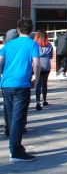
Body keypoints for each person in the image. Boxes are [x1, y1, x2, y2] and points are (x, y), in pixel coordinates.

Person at [0, 18, 40, 162]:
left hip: (6, 84)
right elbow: (36, 64)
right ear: (31, 30)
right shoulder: (33, 44)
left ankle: (15, 146)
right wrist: (36, 79)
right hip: (21, 84)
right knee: (18, 118)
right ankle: (15, 152)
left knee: (11, 117)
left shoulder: (8, 44)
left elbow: (0, 61)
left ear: (17, 29)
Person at [34, 30, 53, 110]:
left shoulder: (34, 46)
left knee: (37, 84)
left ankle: (38, 102)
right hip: (46, 66)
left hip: (37, 66)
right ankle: (44, 100)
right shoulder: (49, 45)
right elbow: (51, 56)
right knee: (44, 84)